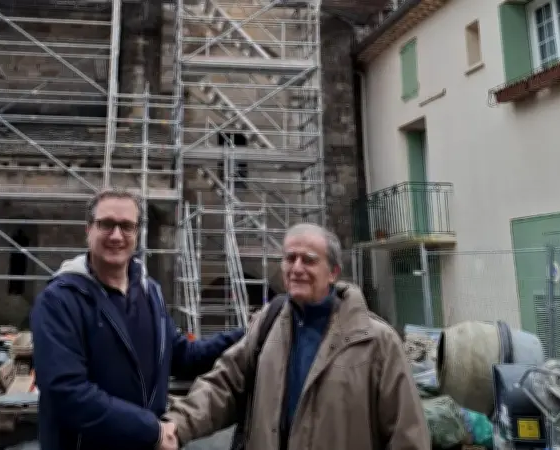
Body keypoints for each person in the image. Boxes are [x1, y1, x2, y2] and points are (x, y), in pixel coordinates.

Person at [164, 223, 431, 450]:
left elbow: (408, 435)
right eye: (290, 258)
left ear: (333, 272)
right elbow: (224, 386)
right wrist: (176, 426)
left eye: (309, 260)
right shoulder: (268, 324)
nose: (297, 268)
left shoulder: (376, 342)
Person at [31, 189, 245, 450]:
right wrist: (152, 430)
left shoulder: (149, 292)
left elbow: (182, 356)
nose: (116, 235)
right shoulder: (60, 300)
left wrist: (247, 333)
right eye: (106, 224)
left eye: (126, 226)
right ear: (88, 229)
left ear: (137, 232)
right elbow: (66, 391)